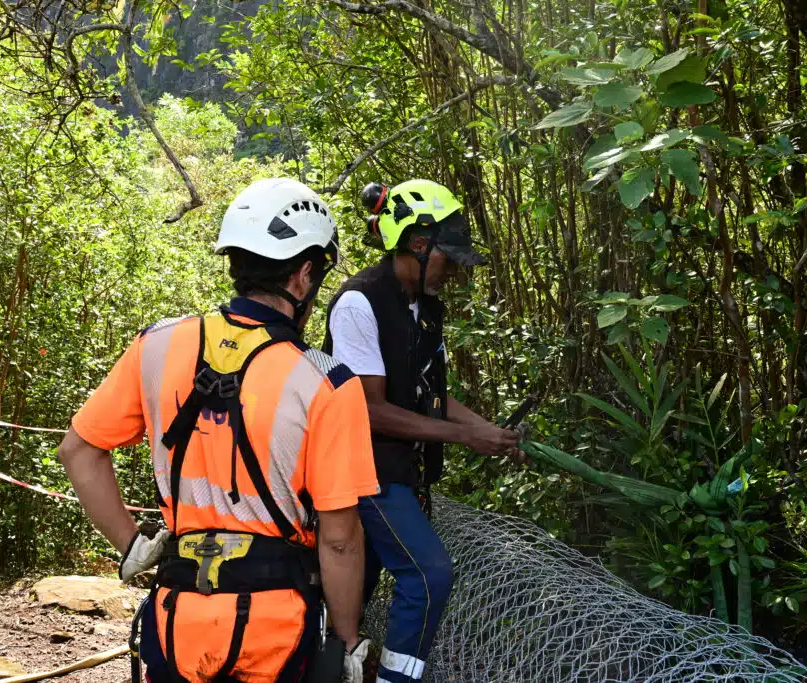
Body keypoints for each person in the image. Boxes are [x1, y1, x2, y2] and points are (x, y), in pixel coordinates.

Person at [57, 178, 379, 683]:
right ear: (304, 276)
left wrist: (130, 543)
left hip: (178, 617)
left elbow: (79, 450)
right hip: (275, 627)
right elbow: (339, 541)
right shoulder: (327, 382)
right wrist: (347, 640)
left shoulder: (157, 345)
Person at [322, 179, 523, 683]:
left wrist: (489, 432)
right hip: (363, 471)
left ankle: (327, 666)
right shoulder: (360, 303)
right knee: (429, 575)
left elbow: (429, 393)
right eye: (447, 259)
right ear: (417, 244)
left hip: (398, 471)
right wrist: (464, 437)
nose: (453, 272)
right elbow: (367, 410)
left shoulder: (425, 308)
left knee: (354, 588)